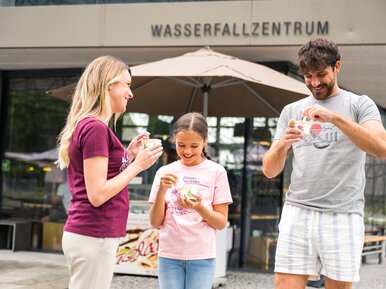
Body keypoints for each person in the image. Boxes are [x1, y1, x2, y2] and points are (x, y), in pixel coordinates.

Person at [262, 38, 386, 289]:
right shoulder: (291, 111)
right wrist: (282, 145)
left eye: (321, 74)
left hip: (343, 212)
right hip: (297, 210)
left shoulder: (359, 104)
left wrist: (335, 118)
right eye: (308, 76)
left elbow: (381, 148)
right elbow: (269, 170)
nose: (315, 83)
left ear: (337, 67)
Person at [56, 55, 163, 289]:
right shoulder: (95, 128)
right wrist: (137, 166)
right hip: (94, 233)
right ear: (109, 85)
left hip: (92, 233)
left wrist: (129, 155)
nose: (130, 93)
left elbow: (101, 178)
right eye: (127, 84)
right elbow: (97, 194)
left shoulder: (92, 126)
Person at [148, 112, 233, 289]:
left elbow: (220, 223)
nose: (187, 151)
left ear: (205, 141)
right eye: (181, 145)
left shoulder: (217, 172)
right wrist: (162, 190)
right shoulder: (164, 173)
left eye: (194, 146)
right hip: (169, 255)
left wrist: (199, 207)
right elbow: (155, 222)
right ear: (174, 141)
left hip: (202, 256)